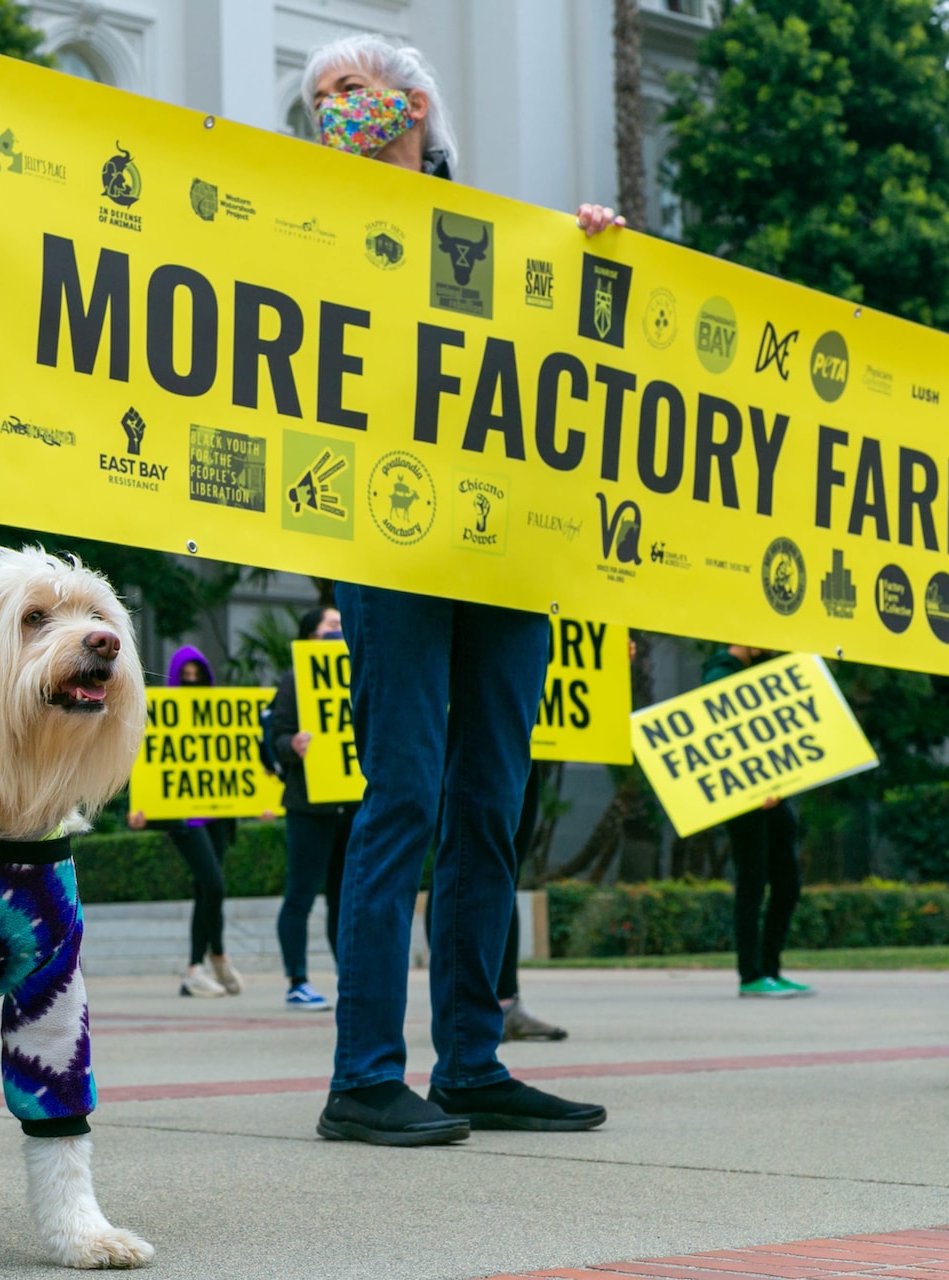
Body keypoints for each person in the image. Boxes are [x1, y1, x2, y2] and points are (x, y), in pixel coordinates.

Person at [301, 33, 618, 1146]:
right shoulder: (302, 220)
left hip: (506, 549)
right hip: (390, 546)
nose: (339, 105)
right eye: (323, 96)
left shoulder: (501, 237)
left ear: (414, 102)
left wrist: (595, 260)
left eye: (355, 87)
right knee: (402, 796)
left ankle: (473, 1059)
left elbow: (572, 346)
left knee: (492, 802)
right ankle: (366, 1075)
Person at [129, 647, 243, 998]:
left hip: (218, 813)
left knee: (206, 890)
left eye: (199, 676)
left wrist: (260, 801)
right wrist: (140, 807)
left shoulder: (217, 715)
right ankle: (216, 957)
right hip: (183, 817)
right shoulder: (156, 716)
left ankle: (197, 969)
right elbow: (148, 760)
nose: (192, 682)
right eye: (186, 676)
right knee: (214, 885)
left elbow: (235, 757)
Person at [701, 644, 812, 1000]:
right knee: (752, 883)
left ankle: (770, 969)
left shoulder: (759, 669)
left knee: (786, 883)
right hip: (745, 797)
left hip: (773, 792)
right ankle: (751, 974)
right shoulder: (721, 674)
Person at [268, 606, 353, 1010]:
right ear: (310, 636)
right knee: (300, 895)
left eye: (342, 625)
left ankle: (350, 978)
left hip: (351, 806)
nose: (339, 631)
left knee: (347, 898)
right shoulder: (294, 681)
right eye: (331, 626)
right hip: (309, 806)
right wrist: (293, 746)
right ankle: (297, 981)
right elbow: (277, 740)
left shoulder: (361, 676)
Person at [497, 769, 567, 1039]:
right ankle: (468, 1006)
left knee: (505, 876)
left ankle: (505, 1004)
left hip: (519, 743)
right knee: (465, 870)